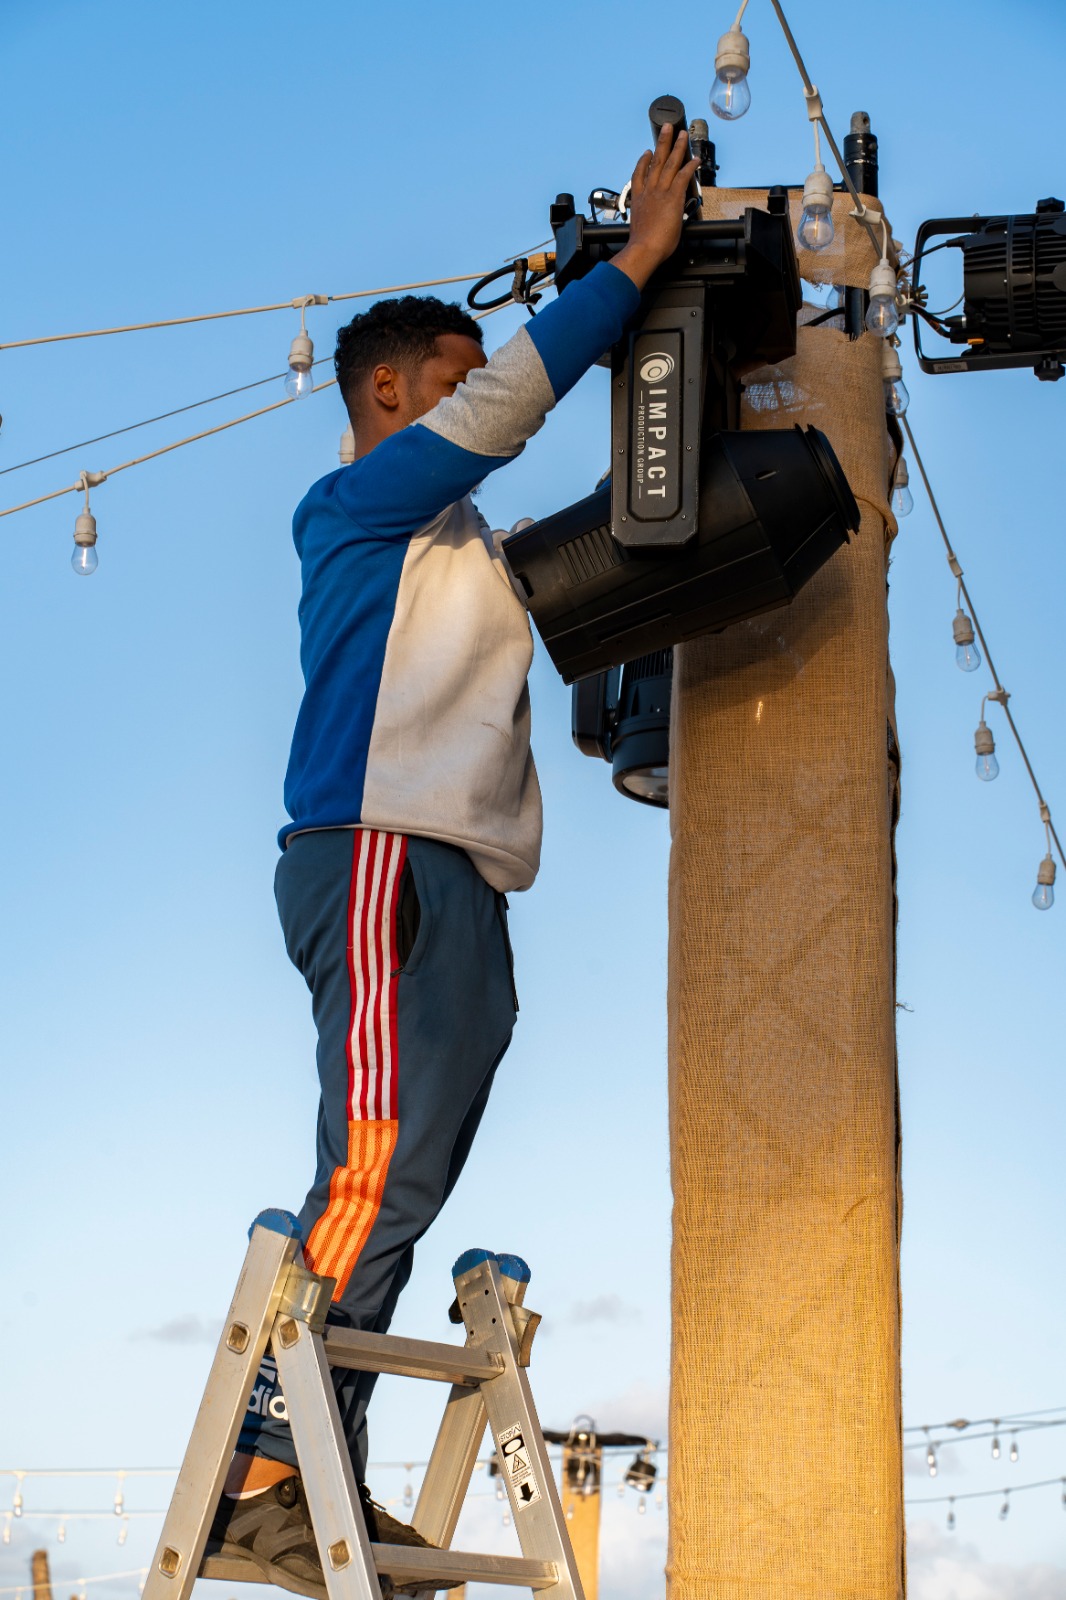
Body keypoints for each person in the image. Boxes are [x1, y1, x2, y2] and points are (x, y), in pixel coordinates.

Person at [207, 123, 697, 1597]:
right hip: (372, 855)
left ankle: (322, 1472)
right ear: (387, 390)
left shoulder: (476, 553)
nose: (473, 396)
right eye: (450, 374)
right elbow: (502, 412)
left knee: (404, 1181)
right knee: (364, 1167)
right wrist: (637, 267)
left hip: (464, 881)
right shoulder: (354, 509)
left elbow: (607, 566)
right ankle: (265, 1480)